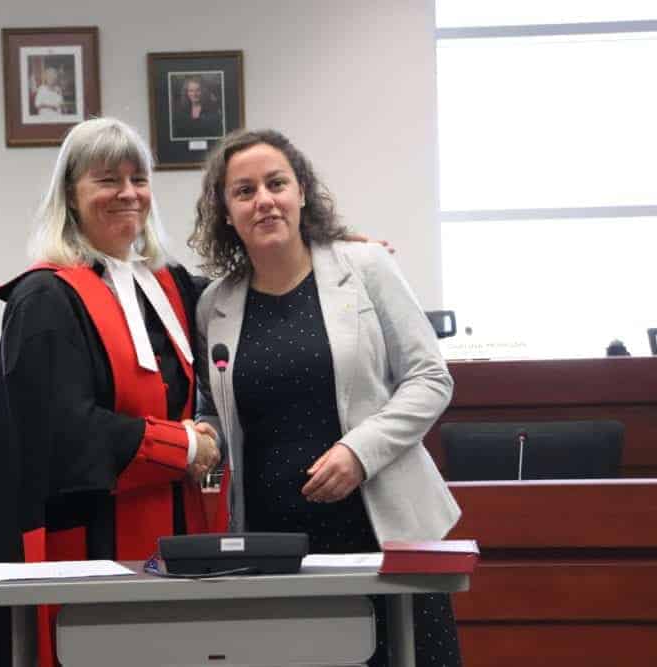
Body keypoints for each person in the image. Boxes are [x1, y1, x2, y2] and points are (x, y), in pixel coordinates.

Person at [0, 117, 222, 667]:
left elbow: (254, 291)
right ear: (70, 196)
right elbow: (61, 435)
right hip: (88, 542)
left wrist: (334, 254)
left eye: (138, 179)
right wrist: (184, 448)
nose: (128, 194)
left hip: (178, 533)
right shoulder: (45, 299)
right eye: (107, 179)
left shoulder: (170, 286)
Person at [188, 129, 463, 667]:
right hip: (273, 544)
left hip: (381, 529)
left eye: (276, 183)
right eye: (244, 191)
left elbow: (430, 377)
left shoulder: (366, 269)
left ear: (302, 193)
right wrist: (201, 439)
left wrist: (359, 451)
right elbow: (213, 413)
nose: (264, 200)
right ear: (225, 211)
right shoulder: (213, 306)